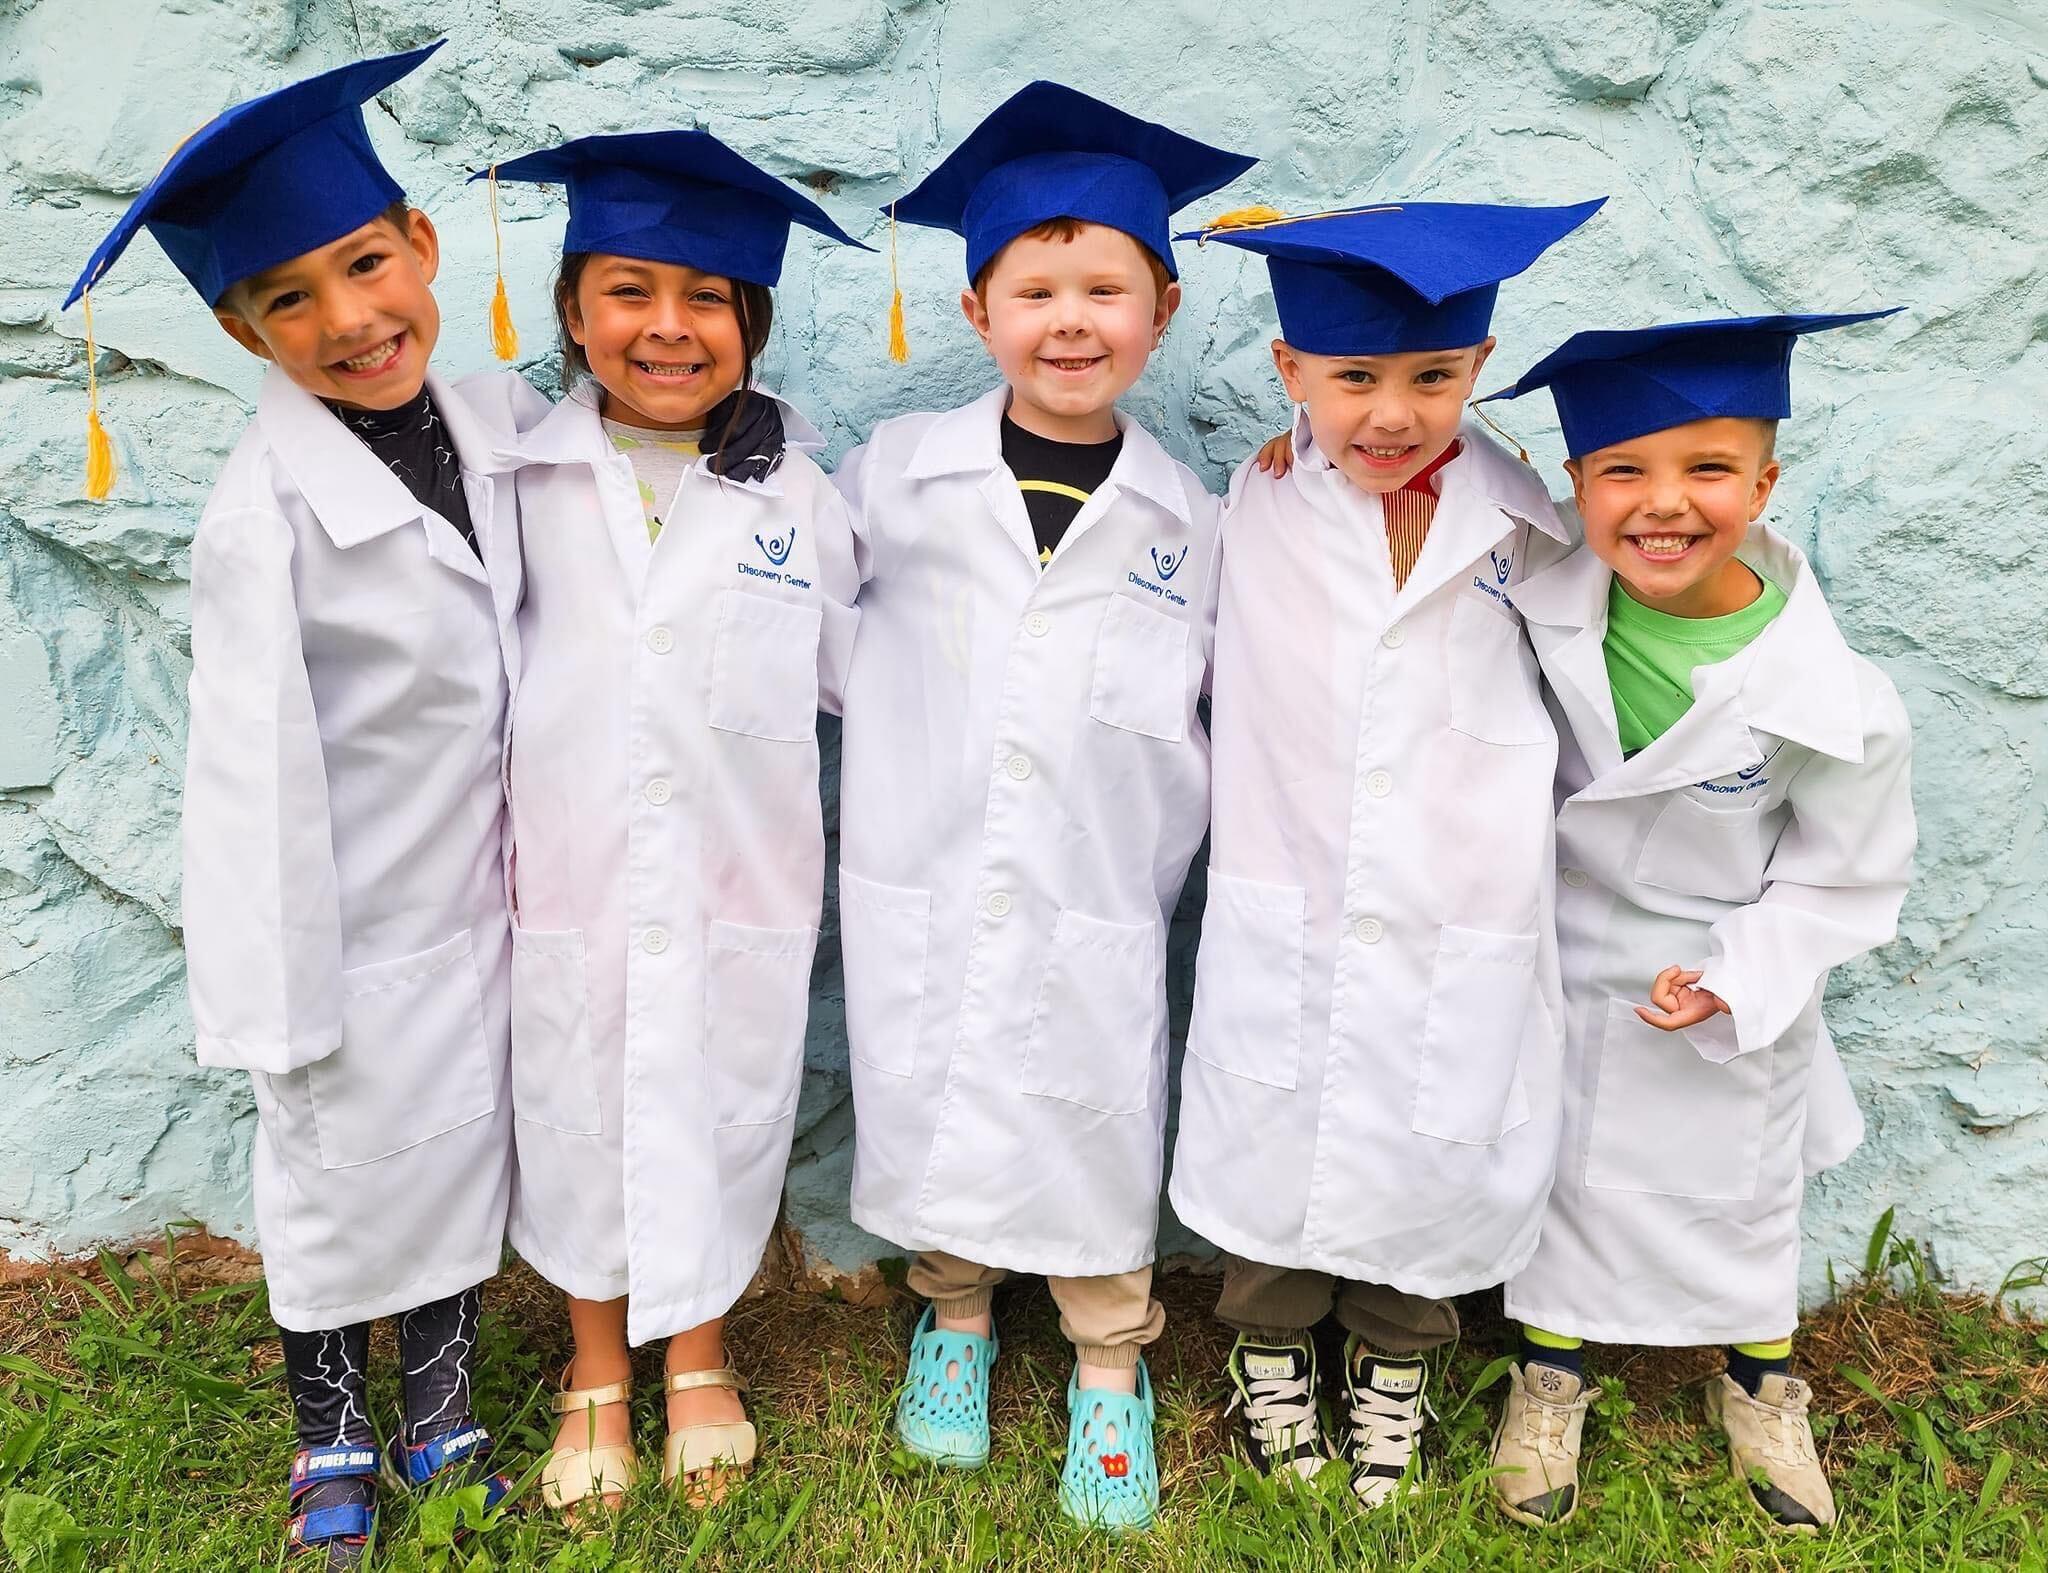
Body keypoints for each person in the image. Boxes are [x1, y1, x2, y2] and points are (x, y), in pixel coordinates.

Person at [67, 42, 522, 1567]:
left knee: (460, 1156)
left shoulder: (500, 423)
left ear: (425, 247)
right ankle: (330, 1425)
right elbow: (248, 771)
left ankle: (443, 1407)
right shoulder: (260, 517)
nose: (350, 319)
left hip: (480, 899)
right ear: (235, 326)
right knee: (332, 1182)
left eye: (368, 262)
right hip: (346, 918)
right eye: (291, 301)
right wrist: (271, 995)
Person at [831, 80, 1254, 1529]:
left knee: (1090, 1120)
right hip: (929, 866)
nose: (1070, 321)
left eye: (1105, 290)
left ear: (1163, 308)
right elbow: (812, 641)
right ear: (977, 312)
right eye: (1035, 290)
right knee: (938, 1100)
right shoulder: (897, 479)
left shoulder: (1187, 519)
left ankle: (1106, 1366)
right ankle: (950, 1322)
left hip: (1097, 894)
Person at [1165, 196, 1601, 1507]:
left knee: (1434, 1154)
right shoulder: (1258, 500)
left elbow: (1585, 695)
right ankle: (1274, 1354)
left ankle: (1399, 1371)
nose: (1392, 413)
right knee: (1280, 1140)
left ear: (1477, 368)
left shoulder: (1523, 518)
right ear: (1291, 374)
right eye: (1353, 377)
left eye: (1431, 378)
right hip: (1290, 888)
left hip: (1458, 898)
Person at [473, 130, 865, 1512]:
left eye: (709, 298)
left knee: (722, 1101)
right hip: (571, 873)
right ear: (575, 311)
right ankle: (594, 1364)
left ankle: (698, 1349)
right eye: (630, 289)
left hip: (731, 881)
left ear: (751, 325)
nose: (667, 326)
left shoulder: (798, 495)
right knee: (575, 1102)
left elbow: (873, 672)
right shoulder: (514, 478)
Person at [1480, 311, 1915, 1532]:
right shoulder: (1534, 593)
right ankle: (1548, 1378)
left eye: (1707, 469)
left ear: (1764, 483)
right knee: (1559, 1176)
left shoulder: (1829, 695)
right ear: (1573, 483)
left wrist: (1738, 976)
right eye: (1621, 468)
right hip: (1559, 954)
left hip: (1724, 971)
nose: (1660, 504)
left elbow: (1841, 876)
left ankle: (1764, 1387)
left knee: (1737, 1196)